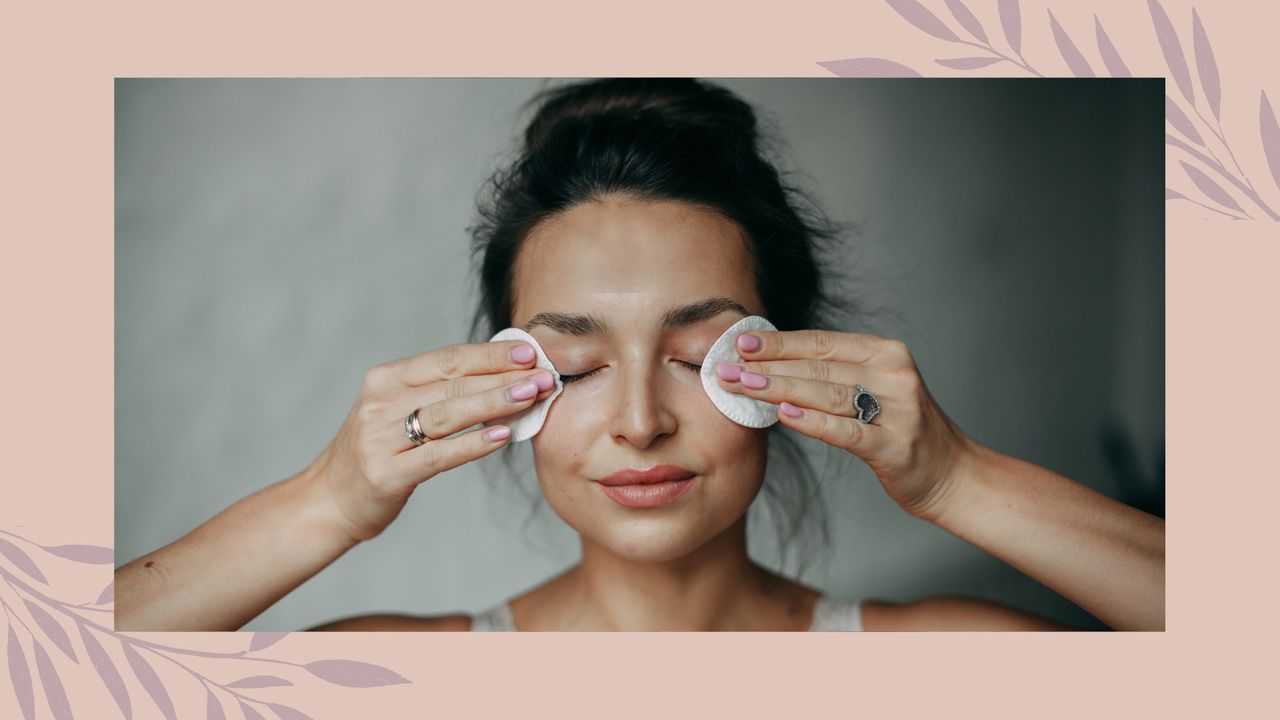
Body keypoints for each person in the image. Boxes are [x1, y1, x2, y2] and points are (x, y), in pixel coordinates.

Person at [115, 78, 1164, 632]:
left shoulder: (938, 669)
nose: (637, 422)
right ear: (502, 389)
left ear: (787, 365)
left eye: (697, 350)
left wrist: (955, 477)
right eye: (571, 367)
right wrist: (330, 498)